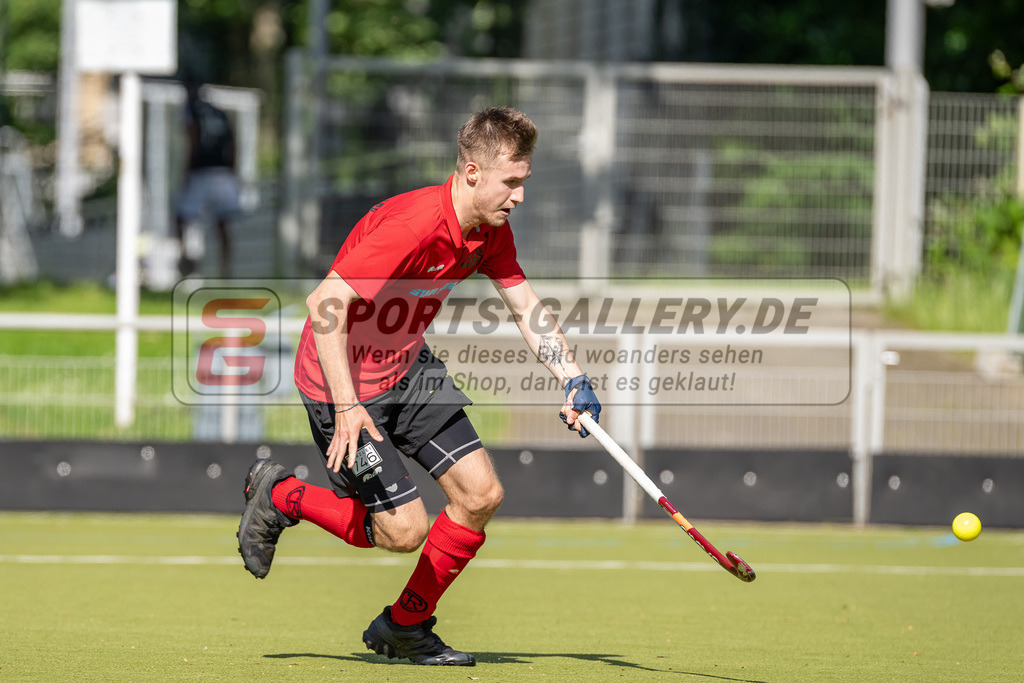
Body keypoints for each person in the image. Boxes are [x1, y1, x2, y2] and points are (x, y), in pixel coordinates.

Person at [236, 107, 602, 666]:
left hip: (408, 368)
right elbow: (325, 302)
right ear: (473, 173)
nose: (520, 196)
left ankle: (404, 626)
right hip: (340, 381)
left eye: (524, 181)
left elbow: (526, 307)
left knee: (481, 495)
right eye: (512, 181)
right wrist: (348, 406)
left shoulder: (489, 231)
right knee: (403, 532)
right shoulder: (413, 226)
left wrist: (572, 377)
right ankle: (283, 495)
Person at [174, 81, 241, 277]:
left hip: (201, 172)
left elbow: (193, 139)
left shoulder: (191, 109)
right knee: (222, 222)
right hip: (224, 172)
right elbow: (233, 141)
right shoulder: (220, 112)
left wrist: (186, 171)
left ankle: (185, 260)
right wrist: (233, 170)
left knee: (181, 217)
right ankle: (226, 268)